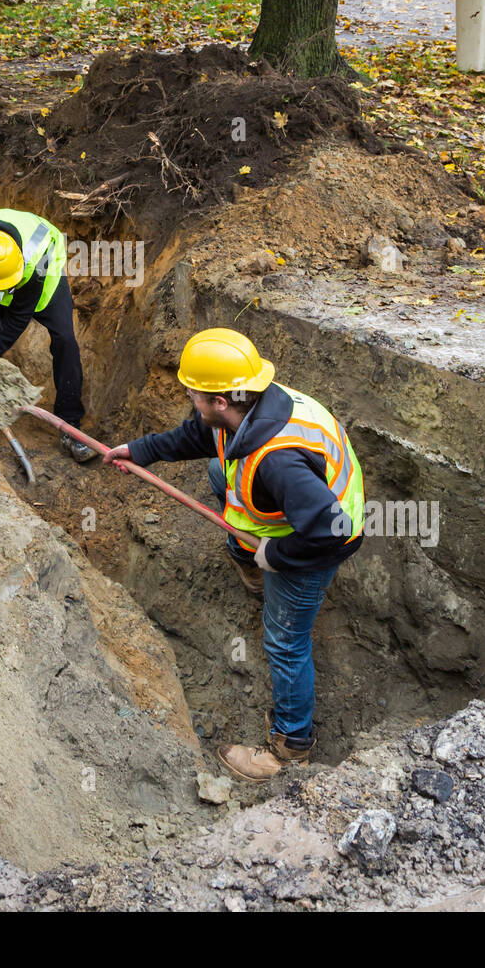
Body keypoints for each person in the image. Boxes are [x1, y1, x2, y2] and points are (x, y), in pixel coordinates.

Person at [104, 328, 365, 780]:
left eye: (195, 393)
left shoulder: (277, 460)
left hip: (320, 541)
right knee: (216, 470)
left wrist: (276, 556)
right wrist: (141, 450)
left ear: (221, 401)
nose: (188, 395)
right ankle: (246, 557)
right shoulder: (251, 406)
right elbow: (201, 437)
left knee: (285, 642)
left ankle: (290, 747)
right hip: (294, 512)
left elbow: (332, 533)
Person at [0, 208, 95, 461]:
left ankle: (71, 426)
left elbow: (18, 317)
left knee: (66, 340)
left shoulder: (37, 256)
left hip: (43, 283)